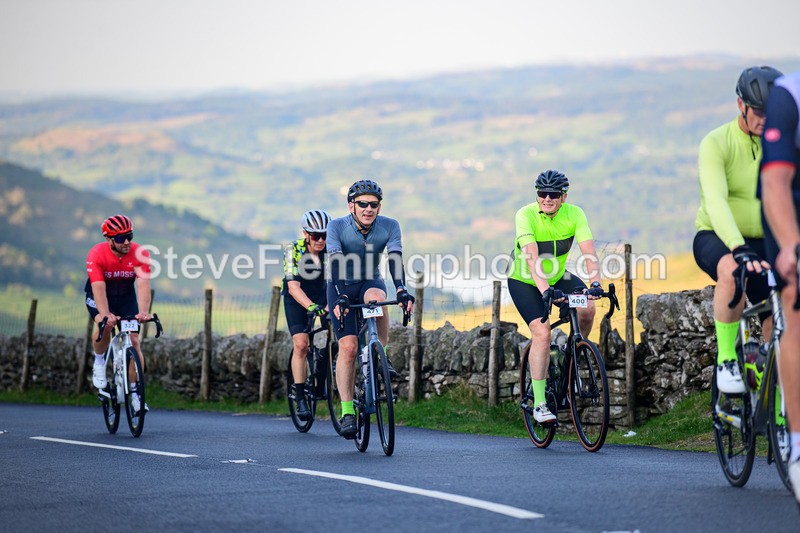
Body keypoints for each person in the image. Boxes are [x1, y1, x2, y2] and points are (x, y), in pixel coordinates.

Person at [692, 66, 782, 394]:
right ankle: (728, 358)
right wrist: (737, 245)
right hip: (717, 237)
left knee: (782, 307)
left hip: (767, 241)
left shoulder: (784, 141)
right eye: (758, 111)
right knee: (731, 272)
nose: (764, 118)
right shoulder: (716, 142)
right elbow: (715, 201)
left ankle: (778, 397)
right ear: (740, 105)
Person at [507, 169, 602, 424]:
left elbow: (589, 251)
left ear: (564, 196)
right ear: (537, 195)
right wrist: (546, 291)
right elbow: (531, 257)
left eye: (553, 194)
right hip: (525, 280)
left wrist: (595, 282)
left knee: (588, 308)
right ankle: (539, 404)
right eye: (542, 193)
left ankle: (574, 352)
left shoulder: (575, 214)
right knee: (543, 332)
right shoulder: (525, 215)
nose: (547, 198)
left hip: (559, 276)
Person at [327, 179, 414, 439]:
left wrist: (401, 289)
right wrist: (341, 295)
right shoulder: (336, 226)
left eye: (374, 204)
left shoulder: (390, 226)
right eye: (362, 204)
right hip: (340, 284)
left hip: (369, 281)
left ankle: (379, 352)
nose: (368, 209)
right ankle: (347, 412)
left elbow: (395, 259)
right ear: (351, 205)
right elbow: (335, 263)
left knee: (377, 297)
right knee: (349, 347)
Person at [759, 69, 800, 504]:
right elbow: (774, 184)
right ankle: (798, 445)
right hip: (790, 202)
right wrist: (790, 247)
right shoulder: (790, 95)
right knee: (794, 300)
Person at [85, 214, 151, 413]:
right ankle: (99, 361)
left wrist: (144, 312)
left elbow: (143, 285)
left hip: (125, 297)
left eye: (129, 236)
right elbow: (98, 288)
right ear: (109, 240)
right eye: (122, 238)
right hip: (101, 295)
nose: (127, 242)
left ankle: (135, 393)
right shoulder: (97, 254)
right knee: (104, 325)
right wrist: (105, 315)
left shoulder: (140, 253)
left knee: (135, 340)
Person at [282, 209, 331, 421]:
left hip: (322, 294)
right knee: (301, 343)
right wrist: (311, 306)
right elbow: (293, 286)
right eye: (316, 236)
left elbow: (335, 281)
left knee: (337, 337)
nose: (321, 240)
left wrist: (330, 304)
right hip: (297, 297)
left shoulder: (331, 251)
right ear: (306, 234)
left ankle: (322, 365)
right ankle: (300, 394)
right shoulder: (294, 249)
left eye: (325, 235)